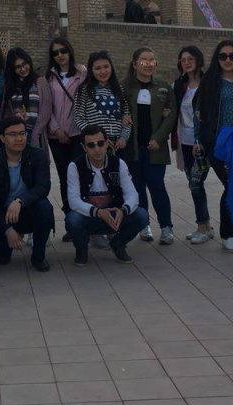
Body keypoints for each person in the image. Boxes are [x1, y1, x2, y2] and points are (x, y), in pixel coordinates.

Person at [194, 40, 233, 253]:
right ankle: (228, 234)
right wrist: (198, 140)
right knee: (231, 184)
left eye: (232, 56)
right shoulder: (210, 82)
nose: (228, 60)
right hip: (218, 139)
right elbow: (198, 112)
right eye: (223, 56)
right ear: (217, 59)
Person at [64, 125, 150, 265]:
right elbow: (73, 201)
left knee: (142, 215)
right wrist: (98, 212)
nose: (97, 149)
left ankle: (118, 244)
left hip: (114, 216)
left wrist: (123, 210)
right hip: (89, 217)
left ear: (107, 143)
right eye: (91, 145)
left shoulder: (119, 163)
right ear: (84, 147)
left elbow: (132, 194)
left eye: (100, 143)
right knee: (72, 220)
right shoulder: (74, 166)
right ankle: (81, 249)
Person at [0, 116, 54, 272]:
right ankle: (5, 248)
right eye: (13, 134)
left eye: (22, 133)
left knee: (45, 208)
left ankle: (38, 257)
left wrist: (20, 200)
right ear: (2, 138)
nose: (19, 138)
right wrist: (7, 229)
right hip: (4, 214)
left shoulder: (37, 155)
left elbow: (43, 187)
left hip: (27, 209)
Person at [123, 47, 177, 245]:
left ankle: (166, 227)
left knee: (157, 185)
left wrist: (159, 138)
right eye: (143, 60)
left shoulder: (164, 87)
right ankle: (143, 224)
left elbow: (171, 114)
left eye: (152, 60)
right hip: (132, 148)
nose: (148, 64)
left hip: (155, 148)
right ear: (134, 64)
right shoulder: (125, 87)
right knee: (137, 187)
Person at [44, 37, 86, 236]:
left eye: (63, 51)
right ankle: (71, 221)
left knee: (80, 176)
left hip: (78, 133)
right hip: (57, 136)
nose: (60, 55)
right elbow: (47, 106)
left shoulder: (82, 73)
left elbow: (86, 101)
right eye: (55, 53)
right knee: (64, 178)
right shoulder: (48, 77)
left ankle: (84, 219)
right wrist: (56, 129)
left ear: (69, 51)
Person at [172, 46, 213, 244]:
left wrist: (203, 141)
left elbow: (211, 115)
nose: (186, 63)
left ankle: (202, 227)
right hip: (185, 143)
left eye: (190, 59)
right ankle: (206, 226)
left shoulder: (208, 84)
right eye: (183, 60)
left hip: (202, 144)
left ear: (198, 60)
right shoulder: (179, 85)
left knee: (196, 183)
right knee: (194, 184)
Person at [73, 50, 130, 152]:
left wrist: (123, 137)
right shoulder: (84, 90)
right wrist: (97, 137)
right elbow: (78, 118)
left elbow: (127, 117)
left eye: (106, 67)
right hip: (96, 146)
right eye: (98, 68)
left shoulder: (120, 90)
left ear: (111, 67)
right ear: (91, 70)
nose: (103, 71)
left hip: (117, 146)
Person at [1, 47, 50, 149]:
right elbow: (6, 112)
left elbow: (46, 110)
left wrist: (36, 133)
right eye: (18, 67)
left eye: (24, 64)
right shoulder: (9, 86)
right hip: (16, 136)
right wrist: (16, 117)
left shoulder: (40, 82)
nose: (22, 69)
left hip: (37, 135)